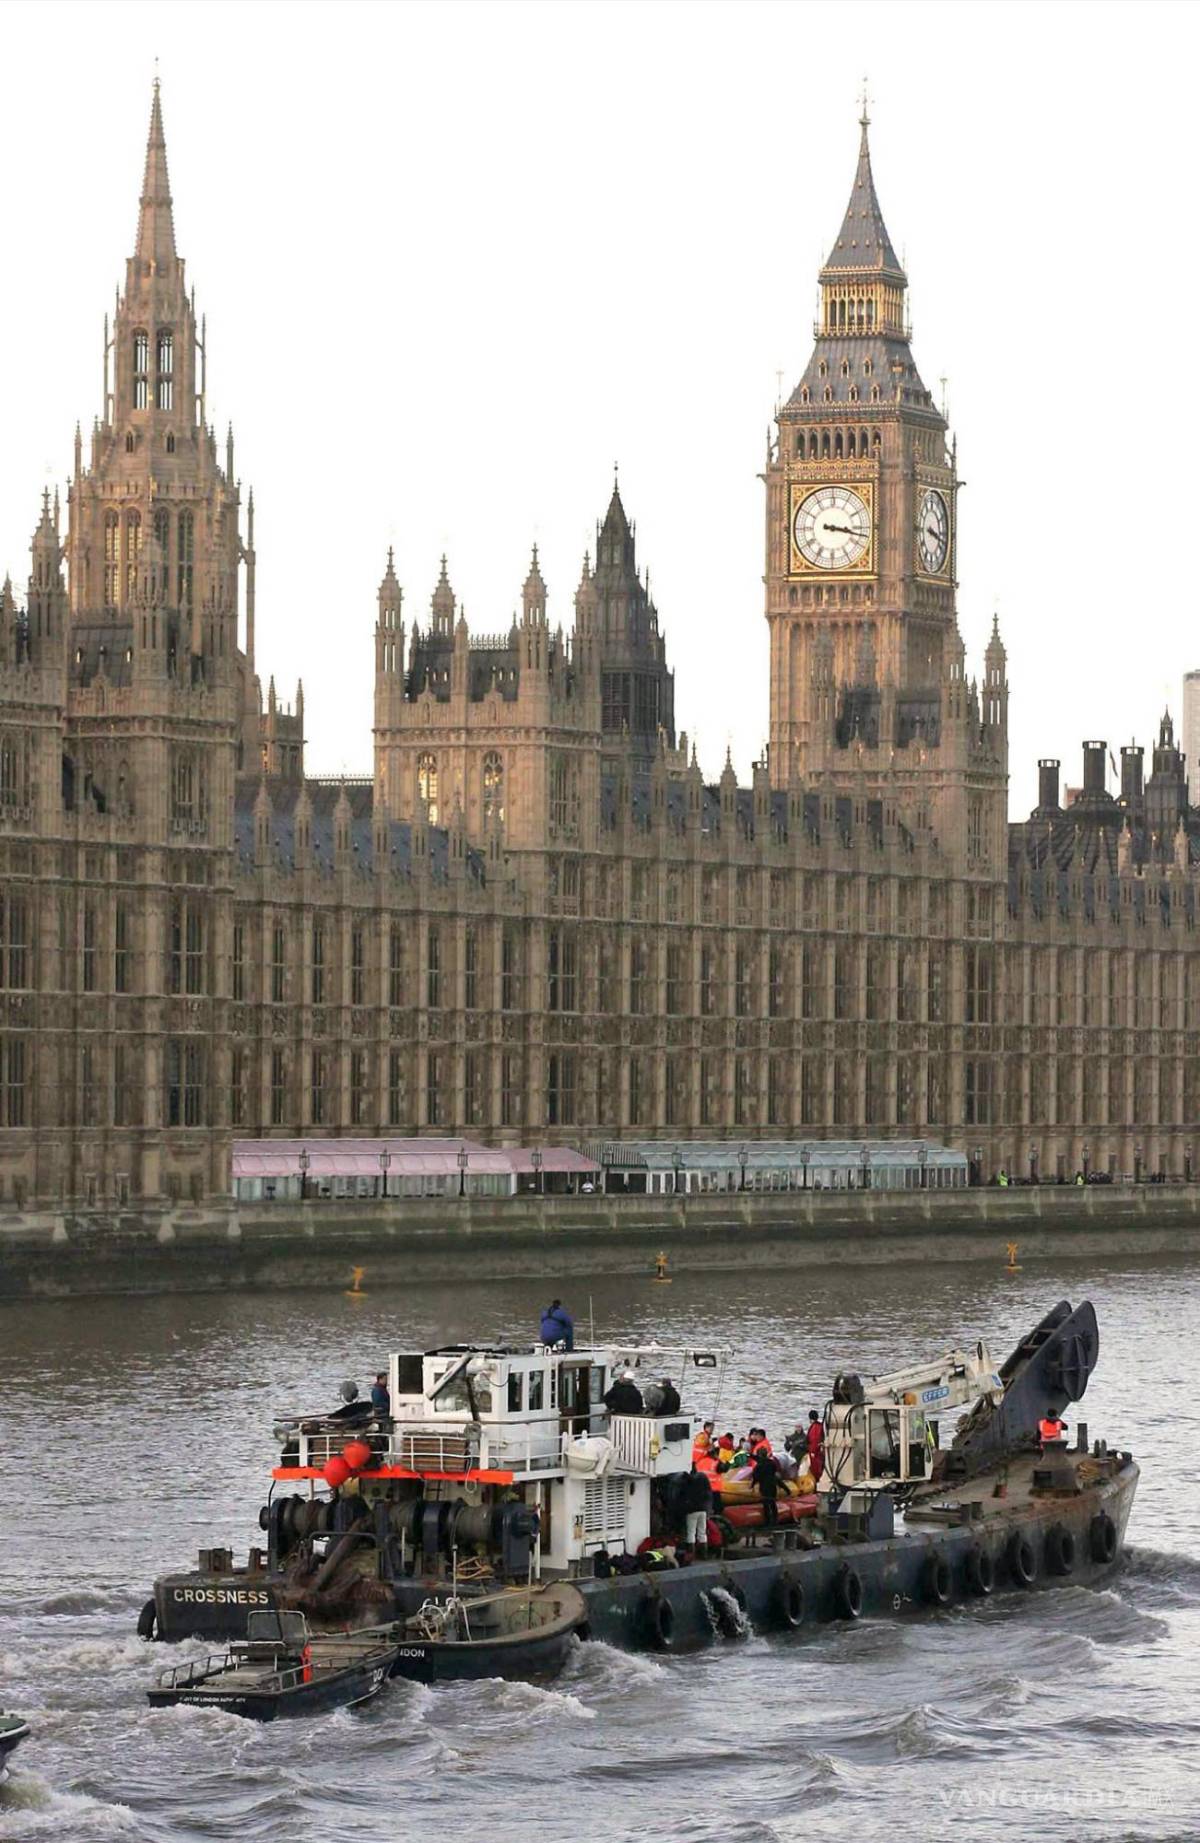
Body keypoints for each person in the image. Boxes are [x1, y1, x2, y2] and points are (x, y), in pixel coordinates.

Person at [678, 1462, 714, 1554]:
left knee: (691, 1532)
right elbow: (709, 1493)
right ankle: (704, 1553)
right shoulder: (703, 1478)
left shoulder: (686, 1481)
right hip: (703, 1509)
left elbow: (682, 1496)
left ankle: (691, 1554)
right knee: (702, 1532)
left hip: (692, 1510)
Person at [751, 1444, 780, 1526]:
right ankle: (775, 1520)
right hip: (772, 1484)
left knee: (766, 1504)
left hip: (764, 1486)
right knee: (773, 1503)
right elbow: (774, 1472)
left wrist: (752, 1485)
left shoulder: (759, 1466)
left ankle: (768, 1521)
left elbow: (755, 1476)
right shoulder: (772, 1463)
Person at [805, 1409, 825, 1483]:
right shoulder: (819, 1426)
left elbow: (814, 1440)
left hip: (815, 1453)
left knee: (816, 1469)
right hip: (819, 1452)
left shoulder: (815, 1427)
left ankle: (817, 1481)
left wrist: (812, 1452)